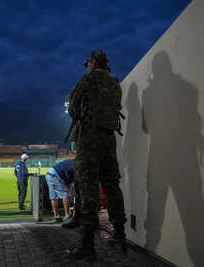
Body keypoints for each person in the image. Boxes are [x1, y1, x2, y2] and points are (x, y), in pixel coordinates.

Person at [66, 50, 128, 261]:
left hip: (89, 139)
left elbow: (72, 109)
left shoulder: (88, 79)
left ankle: (87, 246)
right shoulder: (115, 83)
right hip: (109, 140)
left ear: (93, 62)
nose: (87, 67)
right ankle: (120, 235)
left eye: (88, 63)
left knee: (88, 188)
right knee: (112, 186)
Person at [45, 159, 74, 223]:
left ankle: (56, 217)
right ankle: (67, 216)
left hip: (49, 174)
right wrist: (70, 181)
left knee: (54, 197)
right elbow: (67, 172)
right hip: (56, 175)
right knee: (66, 194)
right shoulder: (75, 164)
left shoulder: (71, 161)